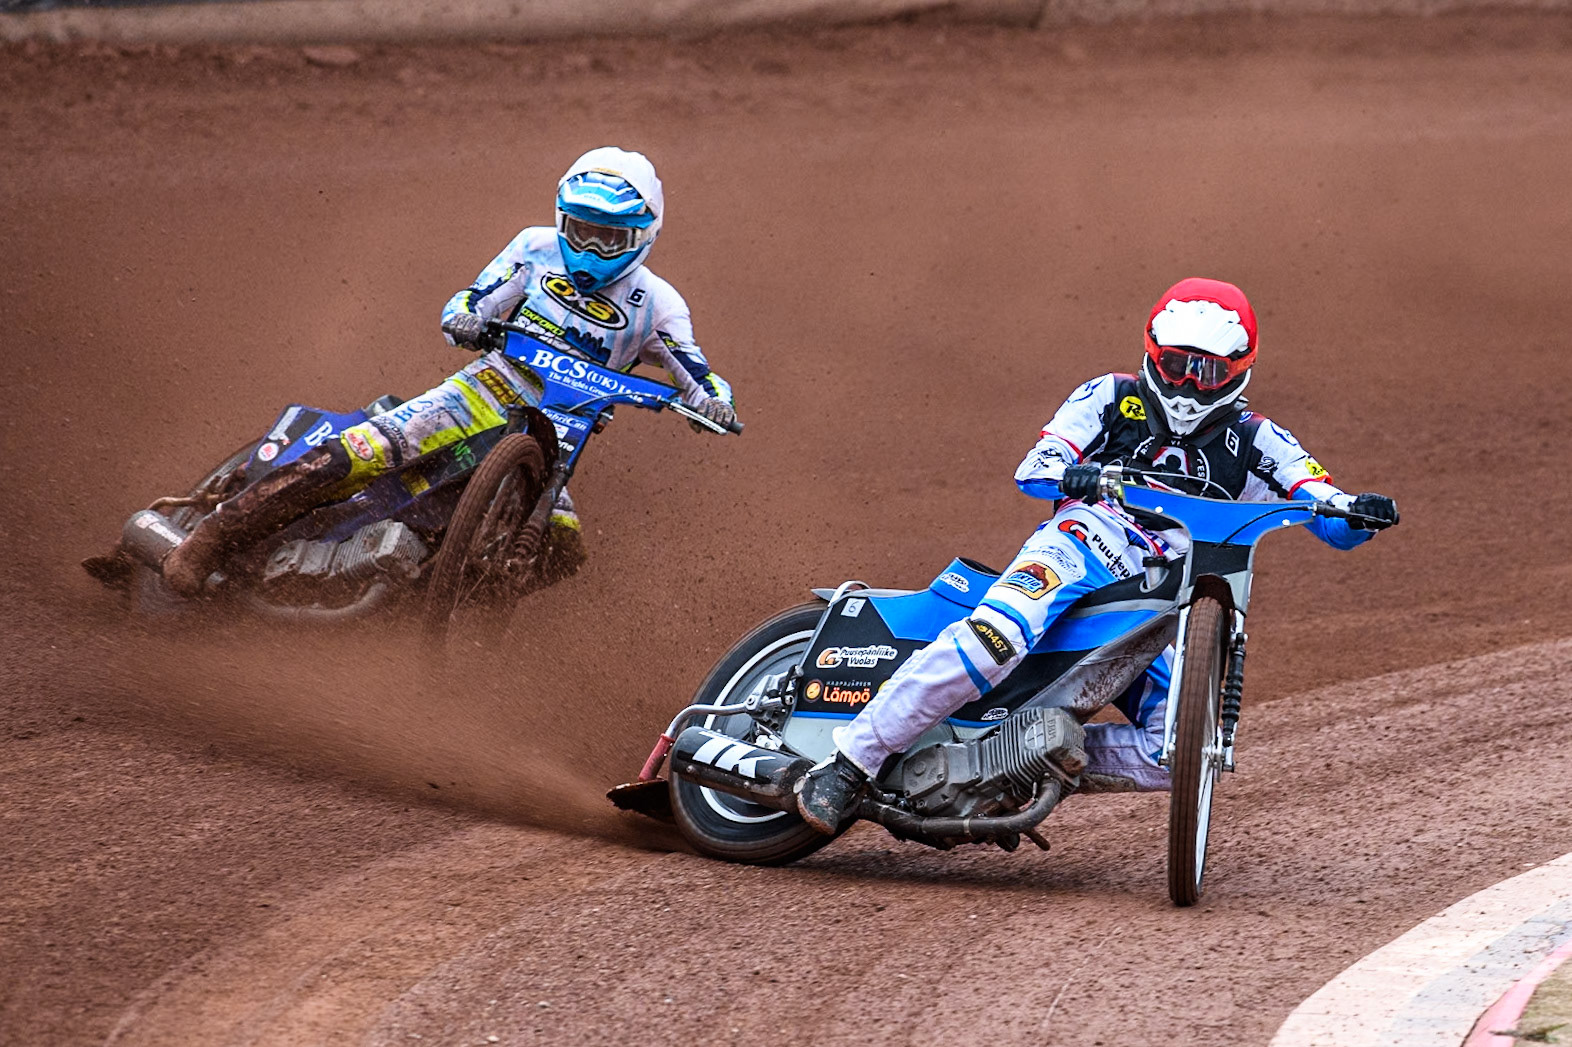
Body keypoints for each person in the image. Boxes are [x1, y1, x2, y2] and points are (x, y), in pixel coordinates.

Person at [794, 277, 1400, 833]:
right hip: (1077, 546)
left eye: (1207, 372)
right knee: (993, 640)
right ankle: (848, 765)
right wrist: (1076, 477)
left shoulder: (1258, 438)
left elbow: (1324, 505)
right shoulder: (1109, 396)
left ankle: (1015, 759)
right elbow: (1036, 468)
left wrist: (1356, 512)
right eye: (1177, 366)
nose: (1189, 384)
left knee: (1179, 750)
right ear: (1152, 354)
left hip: (1153, 598)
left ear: (1238, 372)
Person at [162, 146, 735, 597]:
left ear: (643, 234)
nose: (590, 246)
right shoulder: (535, 248)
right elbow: (473, 299)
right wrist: (464, 318)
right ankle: (207, 543)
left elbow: (696, 370)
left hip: (561, 431)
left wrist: (713, 402)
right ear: (562, 218)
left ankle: (428, 603)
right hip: (488, 387)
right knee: (362, 452)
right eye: (581, 229)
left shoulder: (656, 304)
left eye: (608, 236)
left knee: (562, 549)